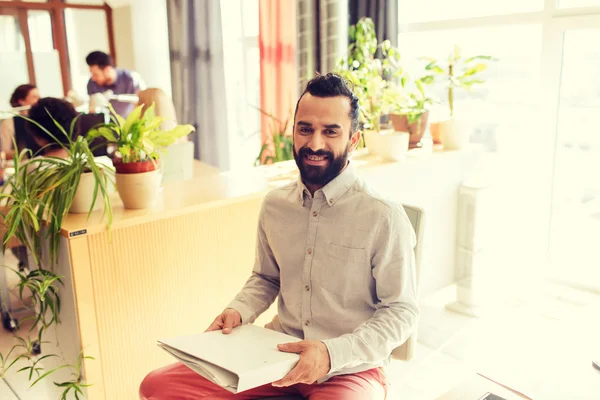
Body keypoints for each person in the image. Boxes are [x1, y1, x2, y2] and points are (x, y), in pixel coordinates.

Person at [138, 73, 419, 400]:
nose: (315, 144)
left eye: (331, 131)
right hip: (274, 355)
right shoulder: (275, 205)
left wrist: (330, 353)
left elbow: (401, 312)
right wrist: (239, 311)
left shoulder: (383, 216)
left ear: (354, 140)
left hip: (348, 369)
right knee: (157, 386)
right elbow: (266, 277)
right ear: (294, 132)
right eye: (306, 129)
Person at [86, 51, 146, 118]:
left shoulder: (131, 79)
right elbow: (91, 112)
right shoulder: (92, 84)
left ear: (107, 70)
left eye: (96, 74)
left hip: (129, 124)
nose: (93, 78)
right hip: (106, 125)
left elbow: (142, 103)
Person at [1, 84, 40, 157]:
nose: (38, 100)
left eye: (39, 97)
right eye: (34, 97)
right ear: (21, 101)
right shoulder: (9, 122)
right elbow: (4, 152)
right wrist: (23, 153)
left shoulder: (42, 120)